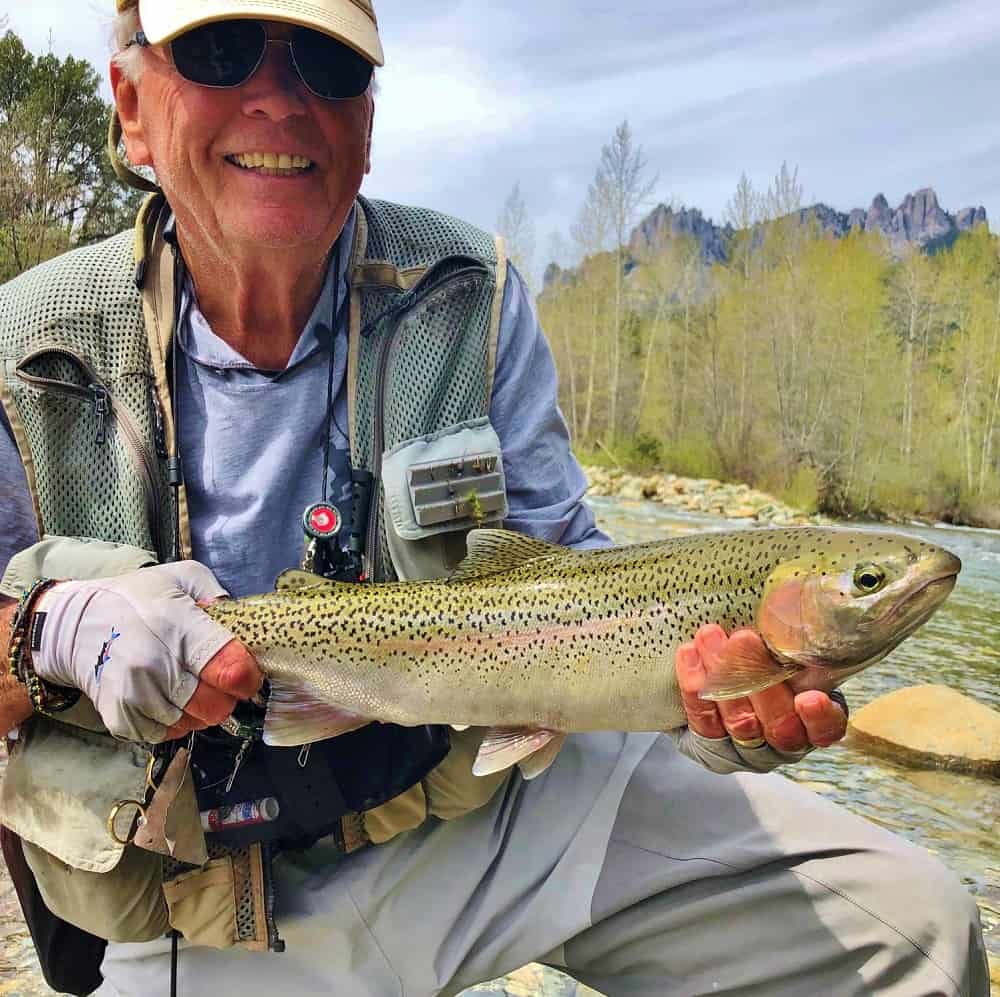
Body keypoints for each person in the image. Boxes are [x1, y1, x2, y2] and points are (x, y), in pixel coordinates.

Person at [0, 1, 988, 994]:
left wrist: (708, 715)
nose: (279, 98)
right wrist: (40, 633)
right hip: (202, 888)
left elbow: (579, 572)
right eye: (217, 51)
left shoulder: (468, 291)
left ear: (369, 120)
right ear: (132, 105)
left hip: (482, 800)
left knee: (911, 931)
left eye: (326, 63)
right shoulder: (23, 348)